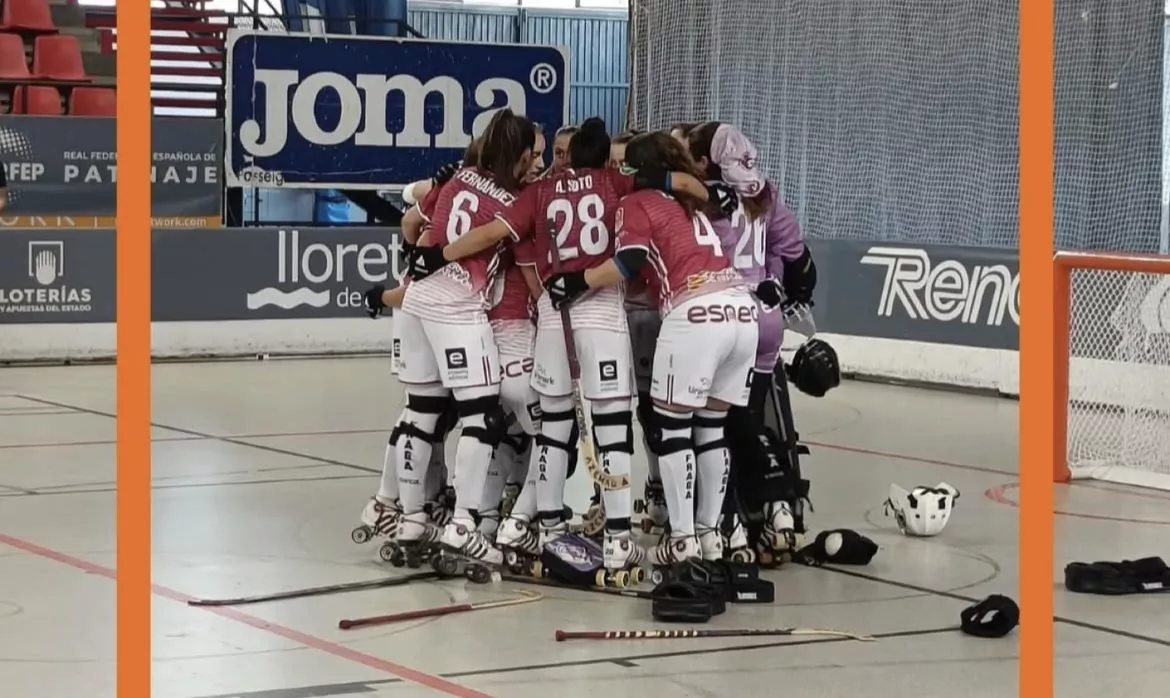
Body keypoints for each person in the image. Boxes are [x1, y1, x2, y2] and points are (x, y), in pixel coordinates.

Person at [410, 118, 724, 582]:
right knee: (612, 428)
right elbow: (688, 185)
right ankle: (618, 540)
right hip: (599, 313)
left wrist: (441, 253)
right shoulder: (616, 181)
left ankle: (550, 530)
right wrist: (659, 179)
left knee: (553, 428)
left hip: (554, 317)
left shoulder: (540, 192)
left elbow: (490, 233)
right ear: (601, 158)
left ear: (569, 155)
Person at [543, 131, 759, 568]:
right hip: (741, 310)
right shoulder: (691, 200)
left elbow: (629, 261)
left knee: (673, 429)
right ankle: (709, 537)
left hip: (694, 312)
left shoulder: (634, 203)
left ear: (633, 170)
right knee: (711, 430)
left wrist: (576, 281)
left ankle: (681, 542)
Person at [388, 109, 537, 576]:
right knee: (482, 415)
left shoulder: (459, 178)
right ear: (517, 156)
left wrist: (424, 259)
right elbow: (488, 235)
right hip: (455, 307)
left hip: (414, 300)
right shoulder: (516, 200)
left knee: (421, 411)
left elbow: (417, 223)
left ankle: (410, 519)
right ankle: (465, 524)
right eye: (532, 155)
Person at [684, 122, 818, 560]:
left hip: (723, 318)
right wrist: (777, 284)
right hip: (765, 320)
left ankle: (730, 524)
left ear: (705, 162)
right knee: (751, 421)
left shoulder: (702, 195)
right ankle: (779, 509)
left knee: (713, 429)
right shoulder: (764, 191)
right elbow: (796, 254)